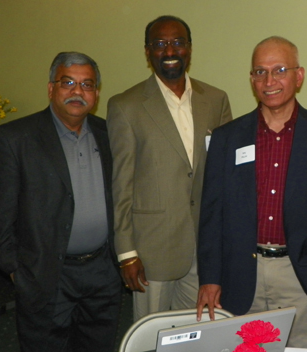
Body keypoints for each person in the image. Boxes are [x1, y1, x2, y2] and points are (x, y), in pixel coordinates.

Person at [196, 36, 307, 348]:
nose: (269, 81)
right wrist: (210, 277)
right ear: (251, 79)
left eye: (279, 70)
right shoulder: (227, 137)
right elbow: (211, 213)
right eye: (260, 72)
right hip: (239, 275)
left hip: (298, 278)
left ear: (298, 76)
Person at [0, 52, 122, 352]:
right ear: (50, 88)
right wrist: (16, 270)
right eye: (67, 82)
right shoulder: (14, 138)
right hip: (45, 274)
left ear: (96, 94)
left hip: (102, 272)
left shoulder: (108, 133)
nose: (77, 91)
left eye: (87, 85)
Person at [107, 15, 232, 321]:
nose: (170, 50)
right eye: (160, 44)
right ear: (148, 51)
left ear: (189, 48)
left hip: (203, 248)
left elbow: (226, 177)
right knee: (151, 334)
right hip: (152, 252)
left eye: (178, 42)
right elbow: (121, 184)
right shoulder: (126, 105)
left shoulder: (215, 100)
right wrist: (126, 253)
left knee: (197, 333)